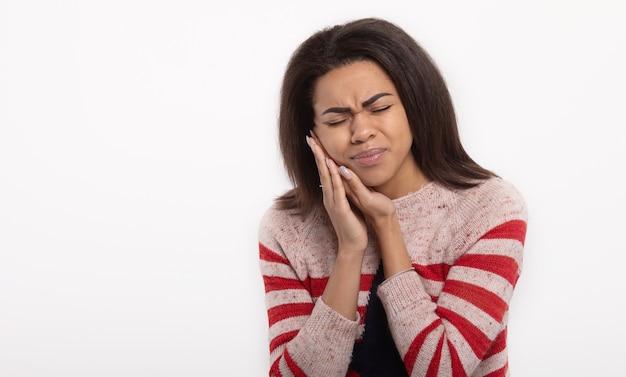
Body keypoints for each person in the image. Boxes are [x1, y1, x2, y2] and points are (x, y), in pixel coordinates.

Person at [258, 17, 527, 377]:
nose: (362, 132)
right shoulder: (286, 227)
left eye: (380, 108)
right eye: (337, 120)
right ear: (312, 134)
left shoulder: (490, 208)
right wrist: (350, 250)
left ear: (416, 106)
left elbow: (442, 368)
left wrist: (386, 226)